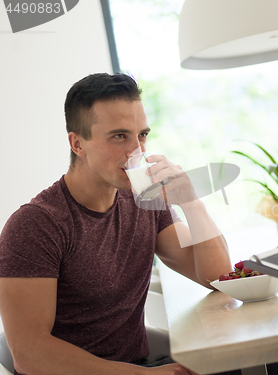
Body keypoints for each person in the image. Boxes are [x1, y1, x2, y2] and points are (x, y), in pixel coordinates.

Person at [0, 73, 233, 375]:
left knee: (273, 368)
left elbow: (218, 277)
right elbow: (30, 355)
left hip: (140, 365)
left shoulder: (144, 200)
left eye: (142, 135)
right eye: (119, 136)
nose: (137, 151)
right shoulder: (36, 225)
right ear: (78, 144)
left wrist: (190, 201)